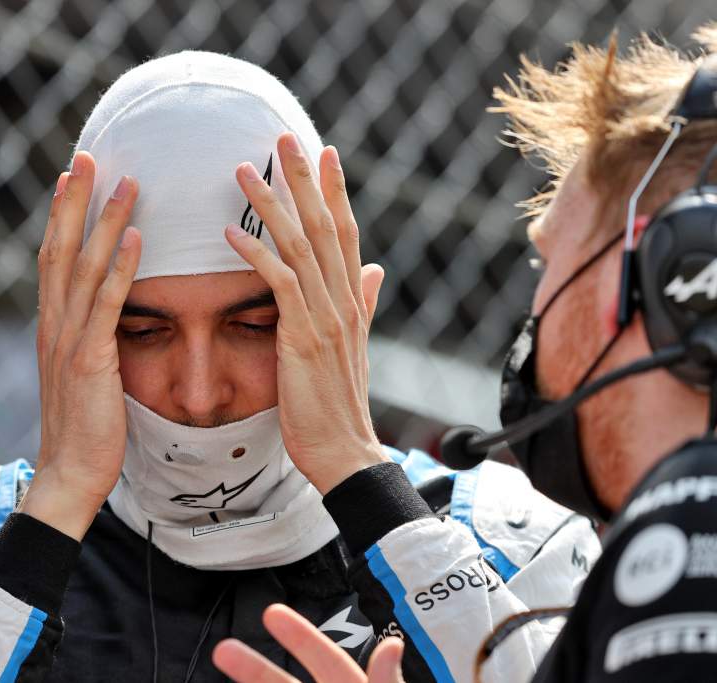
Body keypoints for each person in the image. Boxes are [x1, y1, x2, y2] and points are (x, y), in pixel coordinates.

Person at [0, 51, 599, 683]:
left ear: (344, 317)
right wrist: (55, 506)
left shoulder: (511, 538)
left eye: (253, 324)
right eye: (142, 331)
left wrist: (360, 477)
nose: (200, 394)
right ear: (71, 332)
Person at [213, 22, 717, 683]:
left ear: (677, 275)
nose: (533, 314)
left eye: (551, 260)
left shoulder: (688, 528)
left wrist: (354, 466)